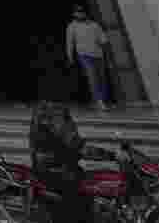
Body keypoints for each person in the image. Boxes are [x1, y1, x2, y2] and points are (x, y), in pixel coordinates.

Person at [29, 90, 115, 223]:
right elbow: (79, 146)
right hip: (60, 176)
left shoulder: (41, 110)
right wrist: (112, 156)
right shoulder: (55, 113)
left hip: (46, 173)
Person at [66, 4, 112, 110]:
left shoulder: (94, 25)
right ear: (74, 14)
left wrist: (108, 56)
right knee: (92, 76)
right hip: (84, 55)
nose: (79, 14)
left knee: (102, 78)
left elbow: (104, 41)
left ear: (85, 13)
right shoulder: (72, 27)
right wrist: (70, 56)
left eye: (81, 12)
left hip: (98, 55)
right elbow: (69, 43)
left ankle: (102, 99)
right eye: (77, 12)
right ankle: (99, 101)